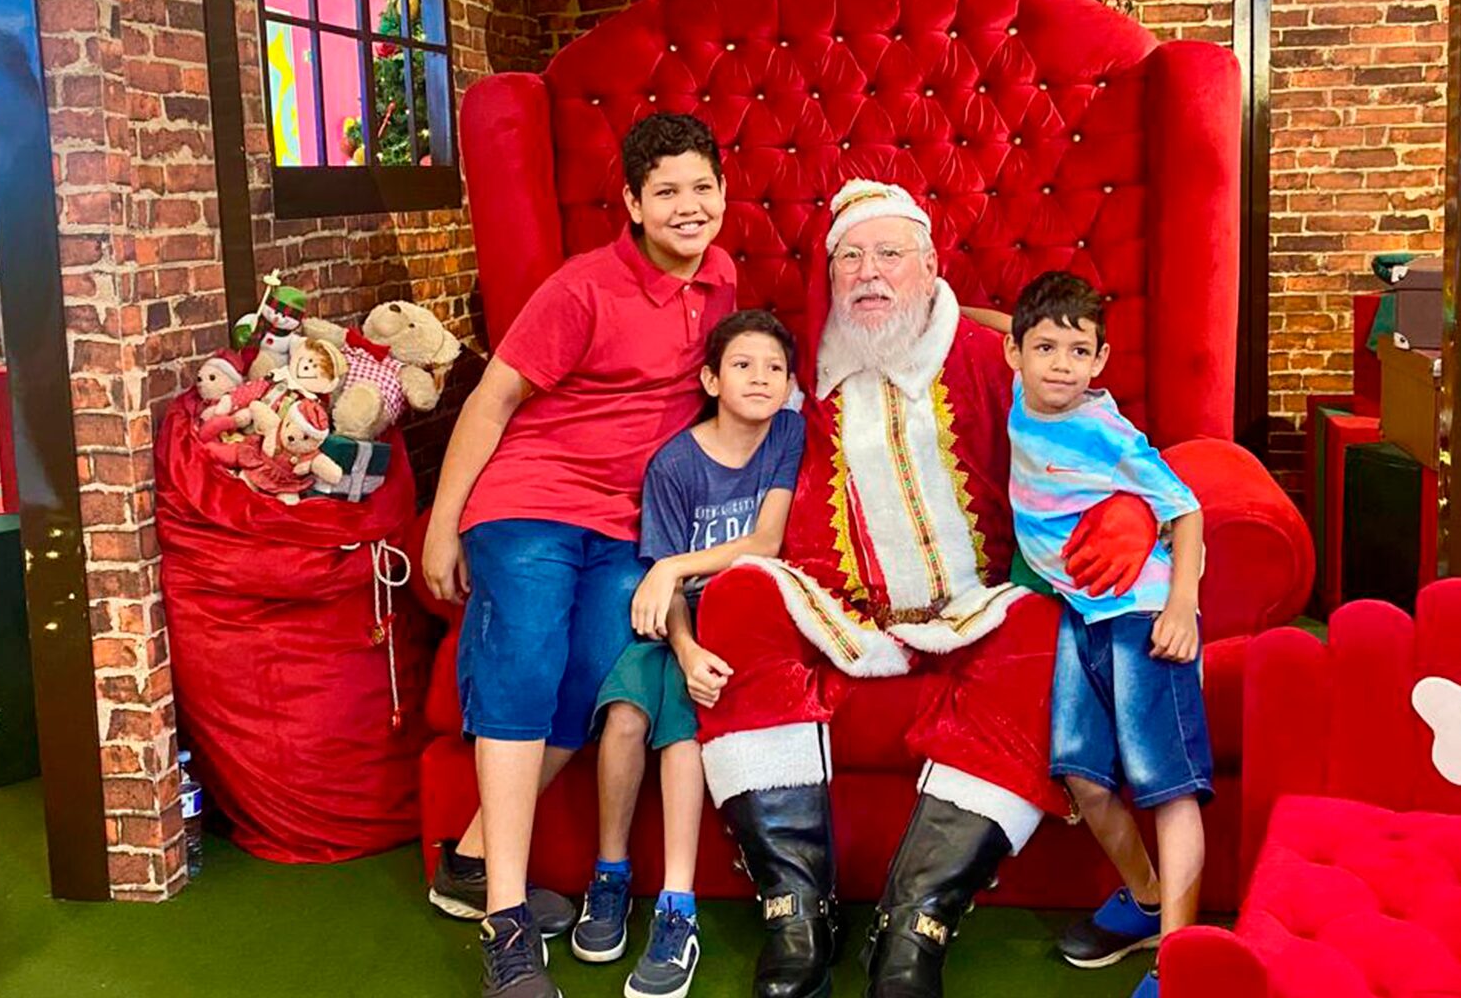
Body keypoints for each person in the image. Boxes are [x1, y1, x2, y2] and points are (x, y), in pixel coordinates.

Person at [692, 179, 1164, 998]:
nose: (868, 274)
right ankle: (795, 910)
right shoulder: (796, 379)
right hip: (840, 611)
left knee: (1041, 632)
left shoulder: (995, 361)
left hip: (978, 610)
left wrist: (1132, 510)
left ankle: (915, 927)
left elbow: (1091, 430)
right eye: (850, 258)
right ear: (829, 277)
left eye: (888, 254)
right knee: (738, 599)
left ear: (931, 266)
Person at [419, 112, 736, 998]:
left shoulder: (721, 280)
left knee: (599, 674)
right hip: (528, 503)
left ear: (722, 193)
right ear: (632, 204)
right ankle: (507, 925)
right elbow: (492, 401)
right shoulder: (582, 288)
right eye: (665, 191)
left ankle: (474, 859)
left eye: (701, 187)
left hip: (629, 527)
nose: (687, 206)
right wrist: (444, 525)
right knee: (524, 659)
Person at [576, 310, 805, 998]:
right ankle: (609, 875)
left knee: (680, 728)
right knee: (623, 718)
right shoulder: (675, 463)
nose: (760, 378)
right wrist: (681, 631)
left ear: (790, 384)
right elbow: (663, 591)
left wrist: (673, 566)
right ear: (710, 378)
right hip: (678, 623)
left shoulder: (787, 434)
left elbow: (766, 542)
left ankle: (678, 908)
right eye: (742, 365)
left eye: (774, 368)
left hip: (744, 618)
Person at [1003, 272, 1210, 998]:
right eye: (1045, 347)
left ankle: (1179, 958)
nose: (1060, 363)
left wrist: (1181, 606)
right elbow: (1001, 320)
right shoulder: (1019, 399)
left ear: (1100, 362)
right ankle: (1147, 900)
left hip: (1144, 611)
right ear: (1014, 354)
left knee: (1167, 785)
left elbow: (1186, 512)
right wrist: (936, 293)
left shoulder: (1106, 432)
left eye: (1078, 351)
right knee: (1084, 780)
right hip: (1078, 614)